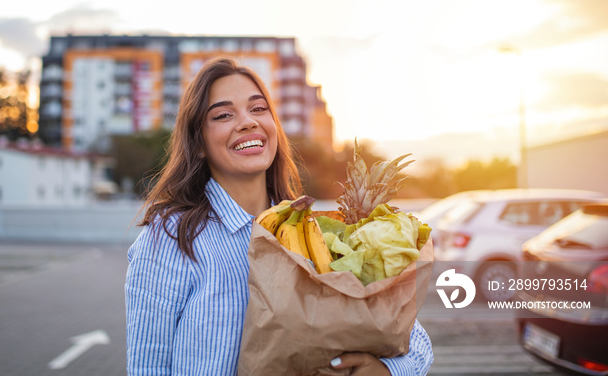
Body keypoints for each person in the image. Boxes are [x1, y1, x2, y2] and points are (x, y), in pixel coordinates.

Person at [125, 57, 434, 375]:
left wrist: (385, 370)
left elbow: (416, 339)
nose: (247, 121)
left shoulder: (316, 233)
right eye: (223, 115)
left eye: (258, 109)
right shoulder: (172, 239)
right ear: (199, 143)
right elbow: (148, 366)